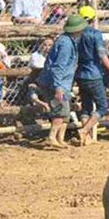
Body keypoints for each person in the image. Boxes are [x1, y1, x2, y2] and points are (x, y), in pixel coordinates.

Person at [37, 15, 88, 148]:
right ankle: (52, 137)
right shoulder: (66, 43)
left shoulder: (67, 41)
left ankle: (60, 139)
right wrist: (58, 87)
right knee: (60, 111)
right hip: (57, 84)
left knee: (64, 112)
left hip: (61, 83)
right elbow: (59, 66)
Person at [76, 5, 109, 146]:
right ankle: (84, 130)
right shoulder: (95, 34)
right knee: (102, 107)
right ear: (93, 19)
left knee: (86, 107)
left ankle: (86, 137)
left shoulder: (76, 34)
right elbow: (101, 54)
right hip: (94, 74)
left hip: (80, 73)